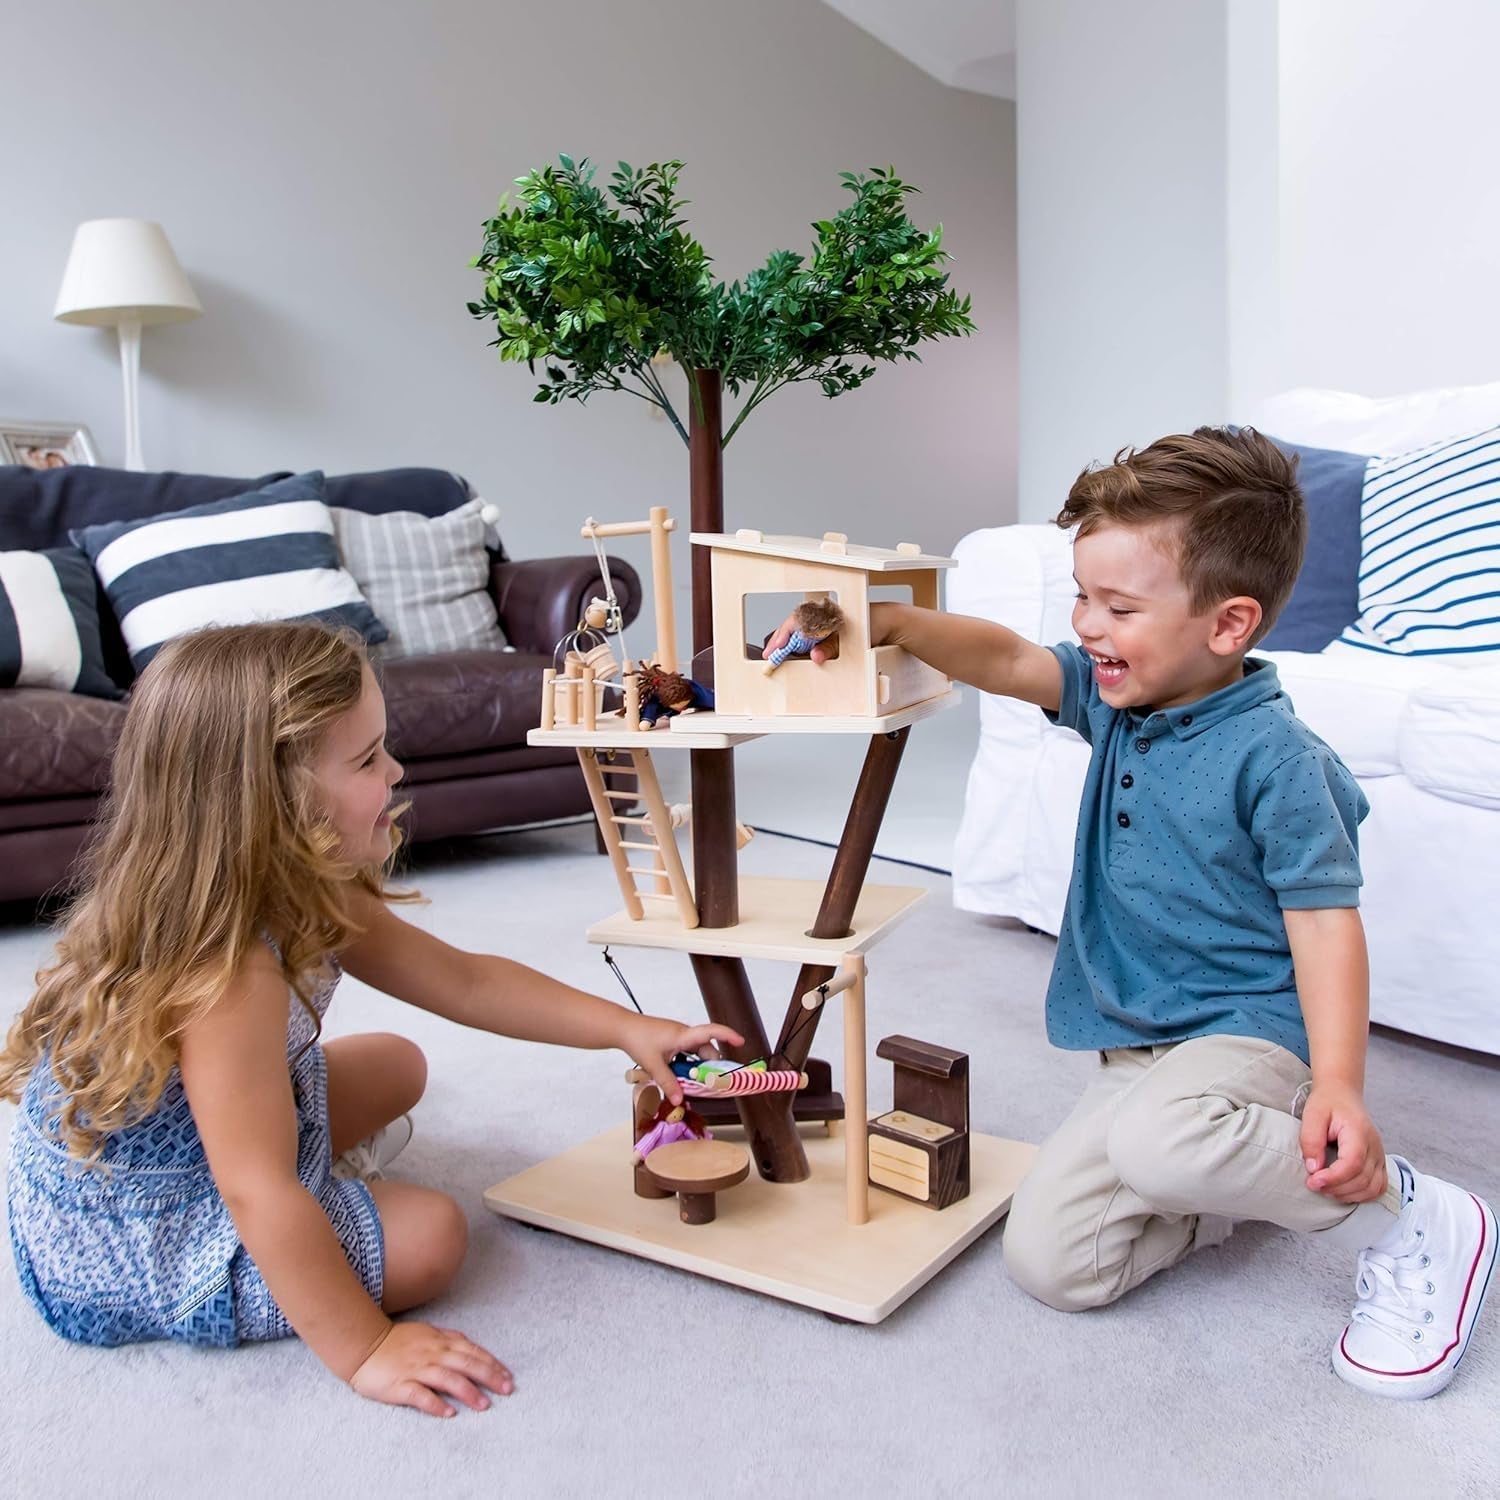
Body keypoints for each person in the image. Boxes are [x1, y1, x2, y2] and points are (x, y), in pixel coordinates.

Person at [766, 426, 1494, 1399]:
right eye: (1081, 597)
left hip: (1249, 1026)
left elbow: (1326, 925)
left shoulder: (1280, 761)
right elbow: (1008, 657)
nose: (1088, 626)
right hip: (1139, 1044)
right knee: (1057, 1267)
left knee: (1163, 1140)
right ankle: (1208, 1181)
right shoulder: (1116, 699)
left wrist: (1341, 1086)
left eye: (1117, 606)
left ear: (1227, 626)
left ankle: (1415, 1217)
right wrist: (900, 624)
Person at [2, 621, 740, 1418]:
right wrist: (366, 1348)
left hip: (209, 1141)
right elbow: (254, 1189)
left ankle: (322, 1187)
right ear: (272, 802)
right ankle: (314, 1237)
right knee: (433, 1236)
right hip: (150, 1227)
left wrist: (626, 1028)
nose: (394, 770)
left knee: (399, 1061)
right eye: (365, 760)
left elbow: (465, 981)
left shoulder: (300, 884)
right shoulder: (229, 975)